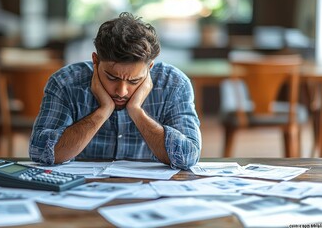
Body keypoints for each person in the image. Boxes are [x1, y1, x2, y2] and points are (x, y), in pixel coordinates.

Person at [29, 12, 201, 170]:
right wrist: (103, 111)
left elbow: (188, 157)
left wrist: (136, 112)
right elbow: (41, 152)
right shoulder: (64, 83)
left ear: (149, 67)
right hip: (82, 191)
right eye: (112, 78)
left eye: (134, 81)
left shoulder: (174, 84)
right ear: (95, 61)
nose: (122, 91)